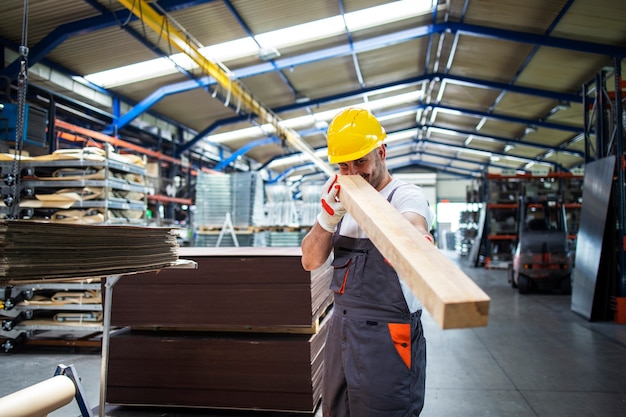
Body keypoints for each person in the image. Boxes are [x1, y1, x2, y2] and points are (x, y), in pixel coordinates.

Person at [301, 107, 434, 416]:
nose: (352, 174)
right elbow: (309, 260)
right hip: (342, 331)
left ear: (381, 152)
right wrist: (326, 217)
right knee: (337, 411)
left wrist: (416, 242)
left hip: (389, 339)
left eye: (360, 161)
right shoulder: (340, 206)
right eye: (343, 166)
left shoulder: (405, 195)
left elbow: (413, 224)